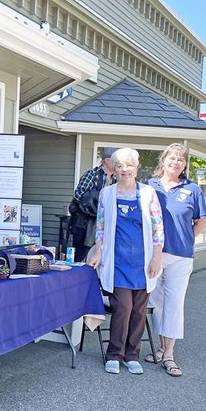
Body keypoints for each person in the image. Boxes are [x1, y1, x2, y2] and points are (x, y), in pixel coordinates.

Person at [89, 148, 163, 375]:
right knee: (123, 307)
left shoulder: (149, 193)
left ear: (136, 167)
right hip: (117, 261)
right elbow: (100, 227)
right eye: (119, 165)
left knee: (139, 311)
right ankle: (114, 354)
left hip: (142, 262)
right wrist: (98, 251)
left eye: (129, 165)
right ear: (114, 168)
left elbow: (158, 227)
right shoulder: (107, 194)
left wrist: (157, 257)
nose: (124, 169)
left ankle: (132, 355)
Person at [147, 143, 206, 377]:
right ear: (163, 160)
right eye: (172, 158)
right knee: (156, 302)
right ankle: (160, 348)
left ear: (185, 164)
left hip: (180, 257)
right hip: (154, 255)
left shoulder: (192, 189)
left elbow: (201, 220)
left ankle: (169, 354)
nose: (176, 162)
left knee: (174, 304)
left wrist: (187, 239)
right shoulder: (149, 186)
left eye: (181, 160)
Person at [69, 147, 116, 262]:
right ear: (107, 161)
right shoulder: (92, 175)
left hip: (105, 224)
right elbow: (79, 194)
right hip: (85, 224)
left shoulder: (116, 180)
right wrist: (96, 205)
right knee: (81, 256)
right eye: (115, 161)